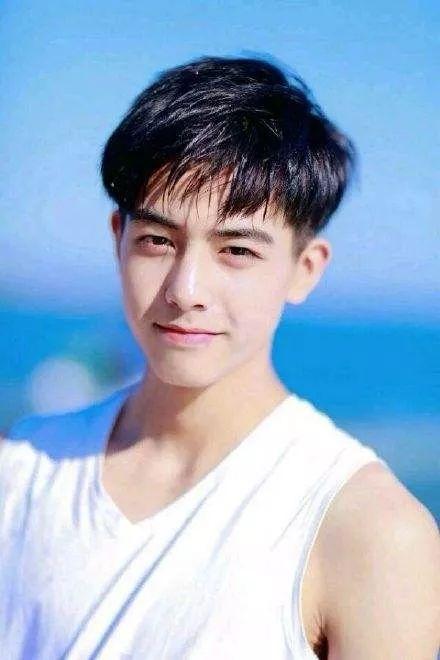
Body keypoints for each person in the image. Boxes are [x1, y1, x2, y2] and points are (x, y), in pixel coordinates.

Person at [1, 55, 439, 659]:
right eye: (157, 240)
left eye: (236, 250)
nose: (186, 291)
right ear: (117, 240)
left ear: (305, 269)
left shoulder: (369, 530)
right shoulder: (21, 470)